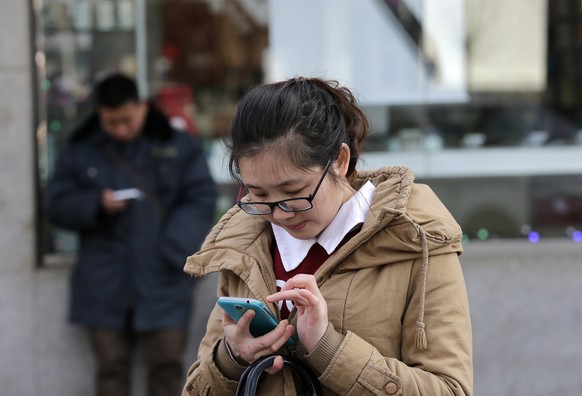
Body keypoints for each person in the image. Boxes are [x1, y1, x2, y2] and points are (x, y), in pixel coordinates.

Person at [181, 77, 473, 395]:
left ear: (340, 161)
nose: (279, 213)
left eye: (294, 193)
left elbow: (450, 389)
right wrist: (231, 358)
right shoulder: (245, 246)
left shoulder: (414, 240)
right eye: (258, 194)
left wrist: (327, 347)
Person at [47, 73, 217, 396]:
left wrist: (175, 249)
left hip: (164, 276)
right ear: (99, 114)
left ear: (141, 107)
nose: (121, 129)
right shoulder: (81, 149)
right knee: (111, 370)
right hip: (103, 279)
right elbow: (56, 205)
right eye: (111, 122)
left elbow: (201, 198)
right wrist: (95, 204)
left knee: (167, 368)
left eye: (127, 120)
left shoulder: (177, 145)